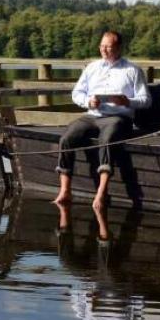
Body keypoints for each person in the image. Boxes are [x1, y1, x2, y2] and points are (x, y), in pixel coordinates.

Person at [53, 31, 150, 208]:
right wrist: (88, 102)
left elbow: (146, 100)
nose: (104, 50)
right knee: (66, 138)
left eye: (108, 47)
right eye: (101, 46)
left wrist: (127, 101)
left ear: (119, 48)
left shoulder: (133, 70)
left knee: (106, 140)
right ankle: (65, 190)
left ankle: (101, 193)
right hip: (93, 115)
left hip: (118, 117)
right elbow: (77, 93)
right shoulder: (92, 67)